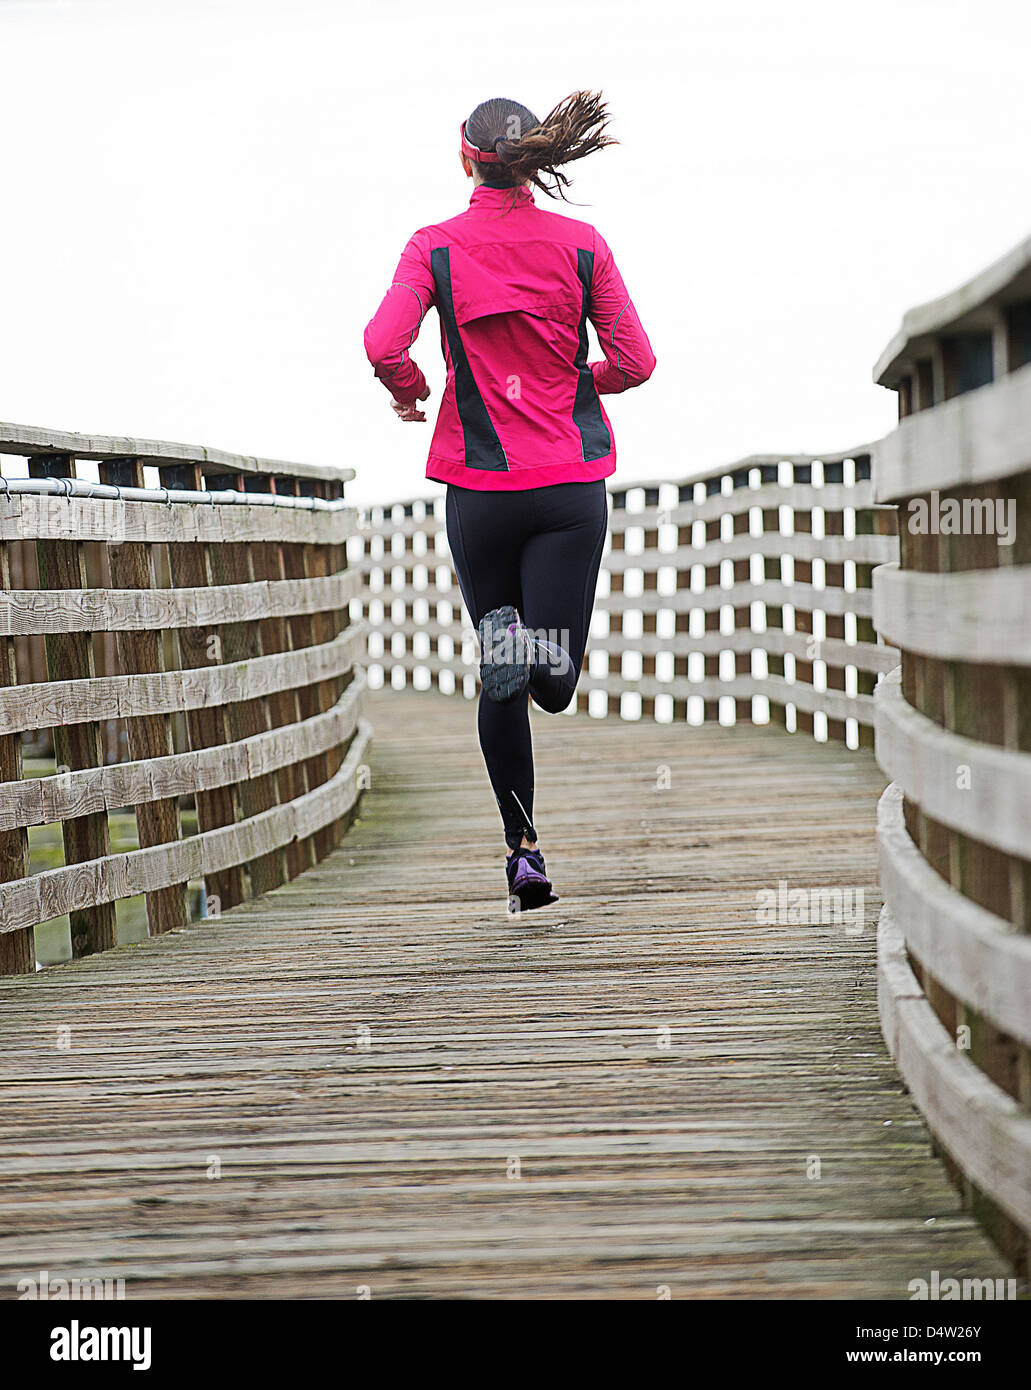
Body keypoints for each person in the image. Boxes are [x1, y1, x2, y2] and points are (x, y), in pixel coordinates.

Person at [364, 91, 656, 911]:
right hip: (566, 489)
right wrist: (573, 390)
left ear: (465, 160)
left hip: (479, 490)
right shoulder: (582, 244)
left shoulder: (434, 247)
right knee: (544, 680)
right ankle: (522, 838)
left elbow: (382, 342)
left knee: (506, 665)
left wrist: (414, 390)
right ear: (534, 161)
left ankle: (521, 843)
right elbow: (635, 360)